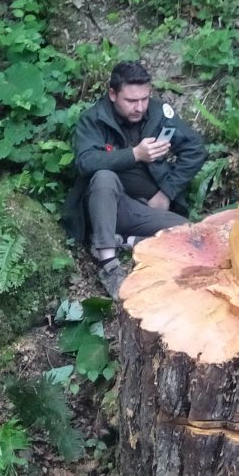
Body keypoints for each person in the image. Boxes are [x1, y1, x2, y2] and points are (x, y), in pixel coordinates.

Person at [63, 61, 207, 299]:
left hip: (141, 209)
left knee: (189, 234)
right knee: (103, 177)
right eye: (131, 101)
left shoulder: (158, 114)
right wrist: (135, 154)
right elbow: (85, 162)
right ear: (112, 94)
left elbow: (195, 150)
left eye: (144, 98)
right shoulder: (94, 119)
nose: (139, 107)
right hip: (104, 205)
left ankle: (127, 241)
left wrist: (167, 192)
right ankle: (108, 264)